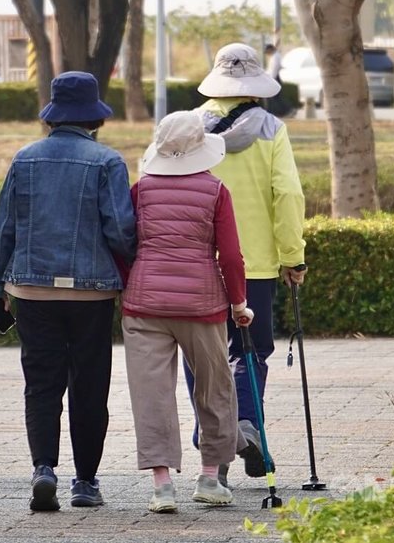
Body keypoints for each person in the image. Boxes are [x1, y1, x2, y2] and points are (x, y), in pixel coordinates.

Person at [0, 71, 137, 512]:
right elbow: (121, 230)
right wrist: (129, 267)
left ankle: (43, 469)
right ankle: (85, 483)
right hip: (92, 295)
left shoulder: (24, 159)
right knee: (90, 386)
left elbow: (4, 230)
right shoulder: (108, 162)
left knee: (42, 385)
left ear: (52, 115)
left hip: (31, 291)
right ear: (94, 117)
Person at [122, 110, 254, 513]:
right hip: (203, 305)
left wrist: (133, 280)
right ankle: (210, 478)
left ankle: (162, 486)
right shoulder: (216, 191)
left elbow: (122, 242)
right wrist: (239, 303)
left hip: (145, 305)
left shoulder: (140, 189)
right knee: (215, 389)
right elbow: (230, 256)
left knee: (152, 395)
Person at [189, 42, 307, 486]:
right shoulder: (273, 130)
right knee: (249, 352)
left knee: (203, 358)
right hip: (254, 265)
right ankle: (244, 426)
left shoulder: (189, 127)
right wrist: (293, 256)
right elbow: (288, 195)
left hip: (197, 263)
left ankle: (211, 443)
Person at [263, 44, 290, 117]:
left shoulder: (276, 57)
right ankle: (282, 111)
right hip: (273, 78)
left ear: (271, 49)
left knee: (273, 97)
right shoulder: (274, 56)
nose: (267, 53)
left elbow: (273, 70)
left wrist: (270, 80)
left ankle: (284, 110)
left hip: (274, 78)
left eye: (267, 51)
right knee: (276, 97)